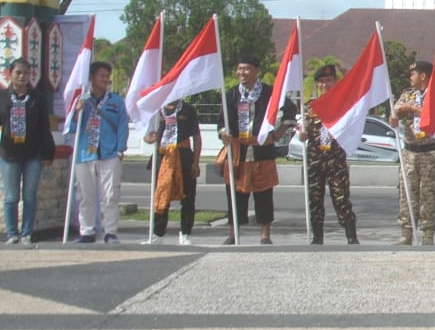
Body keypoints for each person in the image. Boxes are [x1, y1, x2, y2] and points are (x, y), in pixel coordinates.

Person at [219, 54, 295, 245]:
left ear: (256, 71)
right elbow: (222, 121)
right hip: (239, 151)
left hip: (262, 149)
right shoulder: (231, 95)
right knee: (235, 194)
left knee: (264, 194)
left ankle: (264, 234)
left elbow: (290, 107)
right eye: (239, 69)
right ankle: (233, 233)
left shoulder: (270, 93)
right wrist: (224, 134)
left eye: (246, 69)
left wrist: (280, 132)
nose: (241, 73)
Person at [0, 57, 56, 244]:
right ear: (9, 74)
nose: (22, 76)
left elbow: (44, 127)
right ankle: (12, 233)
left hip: (33, 153)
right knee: (11, 195)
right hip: (9, 153)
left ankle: (27, 233)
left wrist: (48, 153)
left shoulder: (38, 98)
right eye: (18, 73)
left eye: (26, 73)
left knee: (29, 194)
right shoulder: (1, 97)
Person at [66, 61, 130, 244]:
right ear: (92, 77)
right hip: (85, 154)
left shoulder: (116, 101)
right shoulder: (82, 100)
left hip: (109, 154)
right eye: (101, 75)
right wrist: (78, 113)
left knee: (110, 195)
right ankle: (87, 231)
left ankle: (110, 232)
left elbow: (122, 126)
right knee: (85, 195)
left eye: (106, 76)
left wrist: (120, 149)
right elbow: (71, 128)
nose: (104, 79)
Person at [299, 64, 358, 245]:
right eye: (321, 82)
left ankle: (351, 235)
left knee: (341, 198)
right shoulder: (310, 106)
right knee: (314, 199)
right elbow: (305, 127)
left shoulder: (343, 104)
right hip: (315, 159)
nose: (325, 85)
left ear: (335, 82)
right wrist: (303, 132)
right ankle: (317, 237)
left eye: (328, 81)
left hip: (335, 160)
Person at [393, 60, 435, 245]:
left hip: (431, 153)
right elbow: (397, 111)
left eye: (413, 74)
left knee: (429, 195)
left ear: (423, 76)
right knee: (406, 193)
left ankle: (427, 235)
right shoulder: (407, 94)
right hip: (410, 152)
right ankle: (407, 233)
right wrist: (400, 112)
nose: (410, 77)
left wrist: (412, 108)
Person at [144, 98, 201, 245]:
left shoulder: (188, 109)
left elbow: (196, 136)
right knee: (161, 195)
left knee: (188, 197)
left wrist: (196, 161)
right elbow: (147, 135)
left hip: (184, 155)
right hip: (162, 157)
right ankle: (158, 233)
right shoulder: (157, 111)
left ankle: (185, 232)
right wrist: (149, 138)